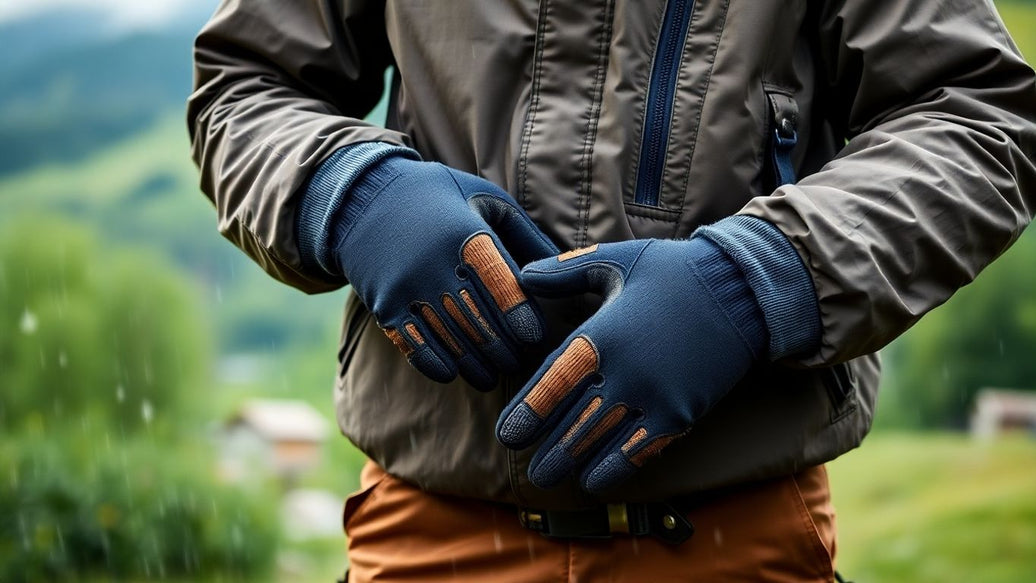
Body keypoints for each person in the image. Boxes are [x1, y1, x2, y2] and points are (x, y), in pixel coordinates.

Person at [188, 0, 1035, 580]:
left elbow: (976, 118)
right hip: (427, 540)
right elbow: (246, 84)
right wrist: (351, 192)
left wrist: (753, 283)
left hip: (737, 545)